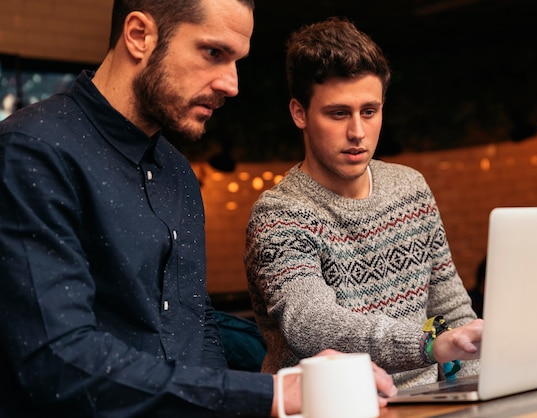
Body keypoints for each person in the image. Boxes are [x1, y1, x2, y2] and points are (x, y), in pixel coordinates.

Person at [0, 2, 397, 416]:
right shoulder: (33, 151)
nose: (232, 84)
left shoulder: (178, 173)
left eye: (236, 61)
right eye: (213, 53)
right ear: (139, 35)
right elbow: (58, 361)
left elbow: (197, 328)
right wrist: (275, 393)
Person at [245, 17, 483, 389]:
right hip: (331, 407)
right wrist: (431, 345)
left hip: (426, 404)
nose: (357, 132)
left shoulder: (410, 187)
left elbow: (451, 309)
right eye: (338, 113)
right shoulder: (279, 215)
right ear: (299, 113)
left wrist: (475, 396)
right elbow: (313, 325)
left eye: (369, 112)